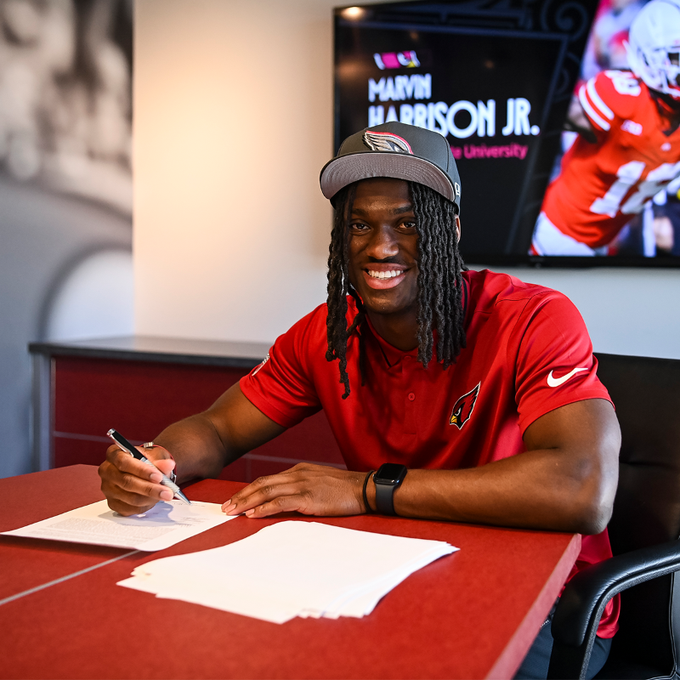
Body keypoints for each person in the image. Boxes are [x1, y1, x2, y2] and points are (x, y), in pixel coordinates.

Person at [99, 121, 621, 678]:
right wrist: (156, 461)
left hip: (549, 603)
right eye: (359, 225)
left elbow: (582, 486)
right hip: (394, 576)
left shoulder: (533, 318)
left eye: (407, 223)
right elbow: (220, 429)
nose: (380, 246)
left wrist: (369, 489)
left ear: (453, 230)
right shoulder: (327, 334)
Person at [531, 0, 680, 256]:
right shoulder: (622, 98)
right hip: (555, 236)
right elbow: (545, 110)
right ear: (649, 58)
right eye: (676, 57)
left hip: (604, 244)